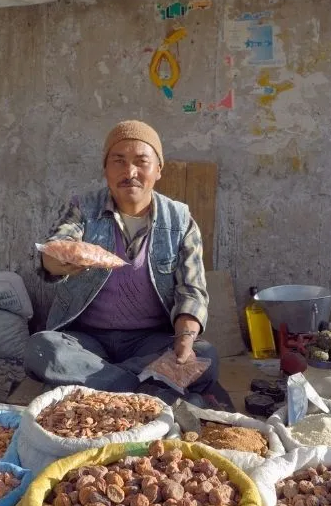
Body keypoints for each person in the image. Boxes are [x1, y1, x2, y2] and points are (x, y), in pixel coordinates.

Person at [24, 120, 223, 406]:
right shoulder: (83, 208)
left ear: (158, 169)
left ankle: (99, 388)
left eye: (142, 162)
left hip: (150, 341)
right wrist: (59, 259)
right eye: (118, 161)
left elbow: (192, 291)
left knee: (206, 356)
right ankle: (146, 392)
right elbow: (58, 246)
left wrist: (184, 340)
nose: (130, 173)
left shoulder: (180, 221)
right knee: (41, 348)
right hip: (85, 340)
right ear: (106, 170)